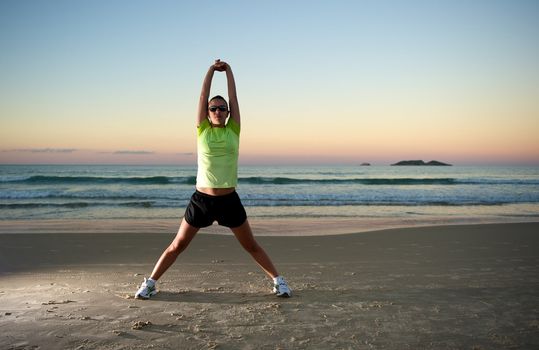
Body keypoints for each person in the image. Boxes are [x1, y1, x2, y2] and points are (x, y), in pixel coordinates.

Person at [135, 59, 291, 299]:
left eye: (222, 108)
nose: (218, 111)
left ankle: (279, 282)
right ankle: (151, 283)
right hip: (202, 201)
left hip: (229, 201)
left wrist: (228, 71)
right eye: (213, 108)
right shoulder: (202, 130)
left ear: (228, 112)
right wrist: (210, 71)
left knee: (251, 246)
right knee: (178, 245)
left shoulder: (234, 130)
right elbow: (202, 97)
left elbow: (235, 98)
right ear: (207, 113)